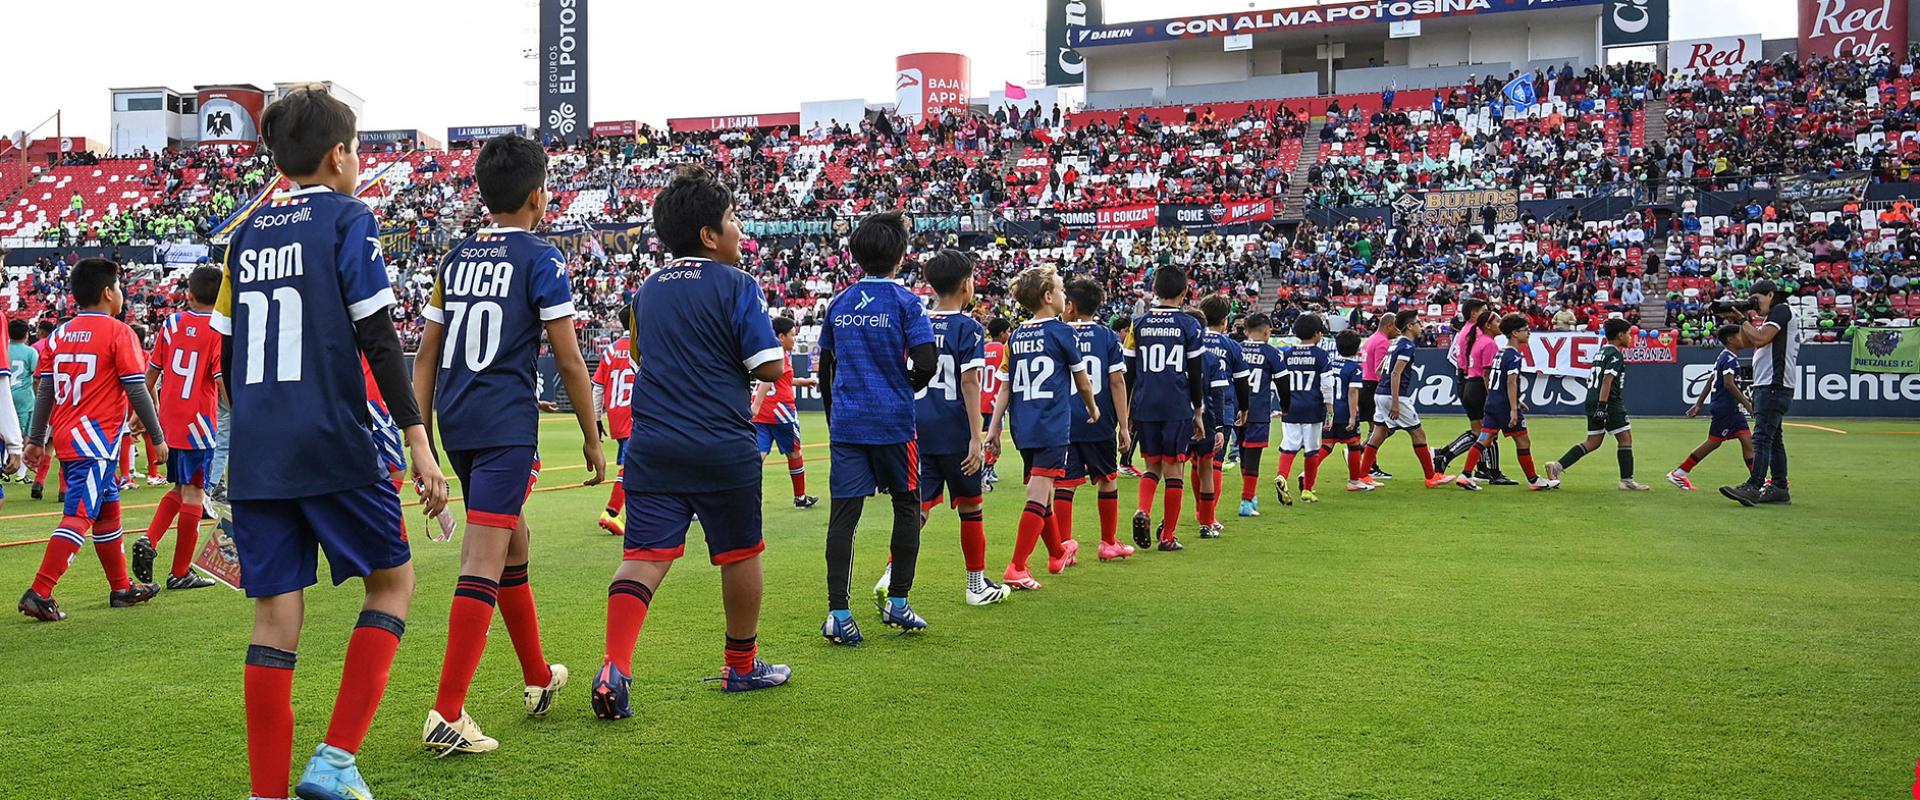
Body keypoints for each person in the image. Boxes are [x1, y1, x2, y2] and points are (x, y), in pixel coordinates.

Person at [213, 89, 451, 800]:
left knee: (273, 618)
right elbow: (377, 337)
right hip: (331, 440)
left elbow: (227, 358)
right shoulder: (349, 218)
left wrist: (253, 432)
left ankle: (266, 793)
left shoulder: (244, 237)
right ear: (339, 154)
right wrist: (417, 439)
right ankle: (337, 758)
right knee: (393, 581)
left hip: (259, 452)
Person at [412, 133, 606, 754]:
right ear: (538, 196)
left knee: (512, 540)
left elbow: (426, 355)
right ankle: (447, 713)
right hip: (504, 427)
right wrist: (592, 436)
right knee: (482, 559)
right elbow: (569, 359)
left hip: (457, 423)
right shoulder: (542, 258)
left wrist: (422, 438)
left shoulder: (454, 259)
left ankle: (538, 677)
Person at [594, 166, 791, 722]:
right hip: (721, 444)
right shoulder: (738, 284)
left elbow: (640, 359)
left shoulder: (646, 292)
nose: (739, 228)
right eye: (732, 218)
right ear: (709, 234)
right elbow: (769, 365)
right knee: (739, 552)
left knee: (642, 559)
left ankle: (614, 667)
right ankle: (741, 666)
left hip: (653, 445)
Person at [817, 210, 937, 645]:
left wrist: (833, 415)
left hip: (848, 424)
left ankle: (838, 613)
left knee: (843, 517)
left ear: (856, 255)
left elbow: (825, 366)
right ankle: (898, 602)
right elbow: (926, 362)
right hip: (893, 424)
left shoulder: (840, 303)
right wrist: (905, 386)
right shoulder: (907, 303)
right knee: (906, 505)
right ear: (900, 256)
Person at [19, 258, 164, 619]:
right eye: (119, 287)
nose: (122, 293)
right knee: (79, 515)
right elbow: (137, 389)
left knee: (108, 512)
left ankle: (121, 587)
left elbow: (45, 390)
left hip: (71, 438)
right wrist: (157, 435)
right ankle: (40, 591)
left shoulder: (58, 335)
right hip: (95, 442)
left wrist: (36, 438)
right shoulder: (119, 332)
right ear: (107, 293)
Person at [893, 249, 1007, 605]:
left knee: (919, 508)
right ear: (965, 285)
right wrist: (976, 437)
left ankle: (890, 577)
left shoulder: (916, 322)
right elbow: (970, 383)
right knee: (971, 506)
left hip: (917, 426)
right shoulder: (968, 327)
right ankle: (976, 585)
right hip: (954, 429)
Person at [986, 265, 1096, 588]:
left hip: (1023, 427)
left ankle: (1057, 552)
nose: (1064, 295)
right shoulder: (1063, 332)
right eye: (1061, 290)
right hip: (1051, 425)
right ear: (1049, 297)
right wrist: (1093, 409)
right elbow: (1082, 381)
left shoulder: (1016, 336)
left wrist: (994, 427)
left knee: (1044, 495)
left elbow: (1005, 388)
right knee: (1038, 494)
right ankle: (1017, 567)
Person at [129, 265, 224, 591]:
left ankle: (149, 539)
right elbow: (221, 381)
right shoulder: (218, 330)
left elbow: (151, 374)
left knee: (179, 490)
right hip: (199, 424)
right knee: (195, 494)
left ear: (190, 294)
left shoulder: (171, 324)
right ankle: (180, 572)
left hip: (170, 422)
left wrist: (141, 413)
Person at [1127, 265, 1207, 553]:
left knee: (1152, 466)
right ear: (1185, 292)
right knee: (1174, 471)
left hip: (1145, 404)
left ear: (1155, 290)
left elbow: (1129, 371)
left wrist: (1128, 412)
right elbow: (1195, 372)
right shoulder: (1190, 325)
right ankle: (1168, 536)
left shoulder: (1138, 324)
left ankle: (1143, 509)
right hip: (1176, 404)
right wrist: (1197, 410)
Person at [1059, 277, 1134, 561]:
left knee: (1065, 484)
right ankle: (1108, 543)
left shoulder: (1058, 333)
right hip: (1100, 421)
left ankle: (1065, 548)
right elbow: (1116, 382)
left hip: (1065, 422)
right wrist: (1124, 426)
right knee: (1108, 479)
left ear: (1070, 305)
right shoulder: (1107, 337)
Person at [1545, 317, 1651, 491]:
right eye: (1628, 334)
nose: (1630, 337)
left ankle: (1556, 466)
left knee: (1593, 441)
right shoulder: (1615, 354)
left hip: (1592, 399)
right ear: (1620, 335)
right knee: (1625, 438)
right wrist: (1602, 406)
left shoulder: (1601, 352)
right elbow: (1607, 380)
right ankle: (1626, 480)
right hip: (1609, 402)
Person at [1718, 280, 1798, 506]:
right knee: (1774, 440)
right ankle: (1779, 488)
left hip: (1773, 384)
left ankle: (1754, 486)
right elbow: (1752, 339)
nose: (1754, 304)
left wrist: (1743, 319)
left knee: (1762, 438)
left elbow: (1760, 339)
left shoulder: (1781, 310)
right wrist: (1741, 319)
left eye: (1757, 299)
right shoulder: (1775, 315)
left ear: (1771, 295)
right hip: (1771, 384)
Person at [1358, 310, 1454, 489]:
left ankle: (1363, 475)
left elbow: (1379, 370)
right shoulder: (1407, 346)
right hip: (1394, 396)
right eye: (1418, 323)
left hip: (1380, 393)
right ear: (1410, 326)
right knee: (1418, 433)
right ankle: (1431, 476)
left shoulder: (1394, 344)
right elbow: (1396, 373)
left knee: (1379, 432)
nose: (1421, 326)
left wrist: (1385, 386)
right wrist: (1395, 402)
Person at [1457, 314, 1548, 490]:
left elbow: (1491, 377)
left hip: (1492, 402)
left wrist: (1514, 400)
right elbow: (1511, 382)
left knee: (1485, 438)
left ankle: (1465, 475)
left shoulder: (1500, 353)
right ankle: (1534, 480)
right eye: (1525, 330)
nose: (1528, 333)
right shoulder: (1514, 356)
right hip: (1505, 406)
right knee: (1523, 441)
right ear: (1515, 333)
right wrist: (1514, 408)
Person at [1669, 323, 1755, 491]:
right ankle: (1679, 473)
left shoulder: (1725, 356)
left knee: (1747, 441)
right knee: (1714, 442)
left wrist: (1699, 404)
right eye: (1740, 335)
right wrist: (1748, 404)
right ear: (1731, 339)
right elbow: (1728, 384)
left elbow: (1711, 379)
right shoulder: (1729, 359)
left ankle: (1758, 480)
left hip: (1731, 409)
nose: (1744, 338)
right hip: (1725, 408)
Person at [1434, 300, 1513, 484]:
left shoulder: (1467, 331)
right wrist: (1494, 394)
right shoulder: (1480, 335)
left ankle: (1480, 467)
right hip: (1473, 381)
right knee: (1487, 430)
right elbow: (1485, 371)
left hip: (1467, 379)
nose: (1487, 314)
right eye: (1483, 311)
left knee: (1480, 430)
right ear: (1474, 314)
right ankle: (1449, 456)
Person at [1195, 296, 1250, 538]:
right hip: (1221, 410)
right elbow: (1242, 382)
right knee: (1213, 463)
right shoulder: (1231, 346)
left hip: (1191, 409)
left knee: (1195, 463)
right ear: (1226, 320)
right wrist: (1244, 408)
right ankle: (1209, 516)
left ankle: (1200, 511)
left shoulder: (1192, 341)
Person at [750, 317, 818, 509]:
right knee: (795, 453)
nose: (794, 339)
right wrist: (756, 405)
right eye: (792, 335)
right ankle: (800, 497)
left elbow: (779, 379)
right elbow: (767, 381)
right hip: (781, 414)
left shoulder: (767, 352)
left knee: (757, 457)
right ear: (781, 337)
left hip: (763, 416)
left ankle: (747, 499)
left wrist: (800, 382)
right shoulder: (778, 354)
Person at [1272, 315, 1332, 505]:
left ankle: (1282, 476)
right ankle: (1307, 489)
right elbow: (1327, 385)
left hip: (1291, 407)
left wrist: (1283, 404)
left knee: (1289, 446)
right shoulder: (1321, 355)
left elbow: (1279, 381)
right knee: (1312, 450)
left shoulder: (1287, 354)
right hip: (1313, 407)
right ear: (1316, 334)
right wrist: (1330, 411)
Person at [1234, 314, 1282, 517]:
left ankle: (1250, 495)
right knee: (1253, 456)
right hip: (1258, 411)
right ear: (1266, 331)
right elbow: (1282, 380)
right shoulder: (1271, 352)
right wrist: (1286, 405)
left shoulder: (1236, 348)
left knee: (1244, 453)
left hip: (1237, 410)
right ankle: (1247, 500)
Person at [592, 307, 635, 535]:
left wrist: (596, 419)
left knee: (648, 462)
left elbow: (598, 388)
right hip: (637, 414)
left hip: (617, 416)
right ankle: (612, 512)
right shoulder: (642, 348)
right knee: (632, 466)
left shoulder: (610, 351)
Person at [1318, 330, 1371, 492]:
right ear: (1356, 349)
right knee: (1354, 444)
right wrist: (1353, 416)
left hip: (1329, 411)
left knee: (1327, 445)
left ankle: (1307, 472)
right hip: (1345, 412)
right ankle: (1354, 481)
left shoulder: (1329, 364)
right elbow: (1352, 392)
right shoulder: (1354, 369)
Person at [1357, 312, 1397, 481]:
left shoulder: (1370, 339)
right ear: (1389, 325)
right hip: (1373, 387)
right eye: (1396, 327)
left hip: (1364, 384)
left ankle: (1365, 459)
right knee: (1382, 428)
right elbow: (1380, 370)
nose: (1398, 331)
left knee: (1376, 429)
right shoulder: (1382, 342)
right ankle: (1364, 458)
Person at [979, 317, 1010, 489]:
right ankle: (986, 473)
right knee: (994, 438)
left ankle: (987, 470)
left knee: (986, 436)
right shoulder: (1004, 350)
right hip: (996, 401)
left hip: (981, 399)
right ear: (1002, 333)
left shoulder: (982, 349)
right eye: (1008, 331)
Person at [7, 319, 35, 482]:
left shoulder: (4, 350)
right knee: (24, 435)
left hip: (6, 396)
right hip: (24, 398)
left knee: (5, 431)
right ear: (26, 334)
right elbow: (37, 375)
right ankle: (21, 474)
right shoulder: (30, 352)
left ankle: (5, 466)